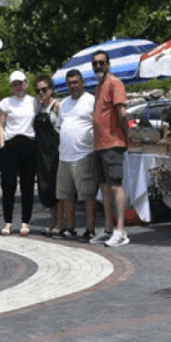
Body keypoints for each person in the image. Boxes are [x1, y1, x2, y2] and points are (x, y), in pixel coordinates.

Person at [90, 50, 130, 247]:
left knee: (115, 185)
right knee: (104, 188)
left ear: (108, 64)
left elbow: (121, 113)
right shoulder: (98, 88)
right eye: (95, 63)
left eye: (101, 63)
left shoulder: (115, 83)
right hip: (99, 144)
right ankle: (107, 229)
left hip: (113, 143)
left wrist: (125, 136)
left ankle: (120, 230)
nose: (98, 66)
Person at [55, 69, 98, 241]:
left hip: (84, 154)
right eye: (70, 83)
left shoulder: (90, 100)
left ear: (82, 83)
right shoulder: (64, 103)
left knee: (87, 195)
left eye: (76, 82)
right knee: (65, 195)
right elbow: (60, 125)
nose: (73, 86)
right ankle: (69, 228)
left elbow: (97, 124)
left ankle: (90, 229)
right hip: (64, 156)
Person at [0, 70, 38, 236]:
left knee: (27, 185)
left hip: (28, 142)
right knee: (8, 186)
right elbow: (1, 125)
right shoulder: (5, 103)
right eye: (14, 83)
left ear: (25, 83)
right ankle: (8, 222)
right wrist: (2, 145)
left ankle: (25, 222)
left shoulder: (34, 102)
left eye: (20, 83)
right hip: (10, 143)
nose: (17, 86)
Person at [33, 74, 61, 235]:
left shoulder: (56, 107)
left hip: (55, 153)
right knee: (46, 187)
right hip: (42, 154)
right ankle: (53, 221)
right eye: (38, 91)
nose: (41, 93)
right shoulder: (39, 108)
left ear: (51, 89)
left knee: (58, 189)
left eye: (44, 89)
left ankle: (59, 223)